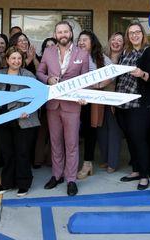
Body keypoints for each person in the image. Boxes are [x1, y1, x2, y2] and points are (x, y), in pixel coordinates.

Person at [37, 21, 90, 196]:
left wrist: (85, 97)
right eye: (60, 32)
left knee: (72, 143)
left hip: (73, 105)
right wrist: (47, 80)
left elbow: (86, 80)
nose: (63, 34)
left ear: (71, 33)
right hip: (53, 104)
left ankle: (71, 179)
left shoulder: (82, 53)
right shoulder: (48, 51)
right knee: (55, 142)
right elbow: (39, 72)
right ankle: (56, 175)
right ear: (55, 34)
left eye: (66, 31)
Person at [0, 47, 41, 197]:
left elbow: (36, 96)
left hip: (23, 119)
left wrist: (28, 110)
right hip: (3, 119)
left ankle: (23, 184)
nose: (16, 61)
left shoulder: (28, 75)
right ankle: (6, 183)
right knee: (7, 153)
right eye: (13, 58)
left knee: (22, 153)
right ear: (7, 59)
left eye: (19, 58)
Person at [115, 22, 150, 190]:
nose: (134, 35)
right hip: (123, 103)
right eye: (131, 33)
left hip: (140, 103)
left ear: (142, 34)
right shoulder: (125, 53)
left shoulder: (149, 52)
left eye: (137, 32)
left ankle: (144, 175)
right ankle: (135, 170)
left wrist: (142, 74)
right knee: (131, 138)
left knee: (139, 138)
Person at [76, 30, 115, 179]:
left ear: (92, 42)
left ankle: (87, 164)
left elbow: (112, 73)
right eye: (79, 40)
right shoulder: (74, 55)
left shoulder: (99, 57)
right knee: (74, 132)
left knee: (89, 131)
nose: (81, 42)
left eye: (85, 40)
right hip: (74, 99)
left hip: (91, 100)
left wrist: (99, 85)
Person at [98, 32, 125, 173]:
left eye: (119, 40)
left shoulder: (125, 58)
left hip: (116, 99)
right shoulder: (102, 57)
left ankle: (113, 163)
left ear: (123, 44)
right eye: (114, 39)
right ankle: (105, 159)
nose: (116, 42)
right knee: (102, 130)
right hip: (100, 98)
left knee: (114, 131)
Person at [33, 37, 56, 169]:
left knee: (54, 133)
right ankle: (38, 159)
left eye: (52, 45)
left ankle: (50, 160)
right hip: (43, 102)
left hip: (57, 101)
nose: (50, 47)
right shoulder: (42, 62)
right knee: (42, 132)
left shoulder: (61, 61)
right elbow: (39, 75)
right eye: (47, 46)